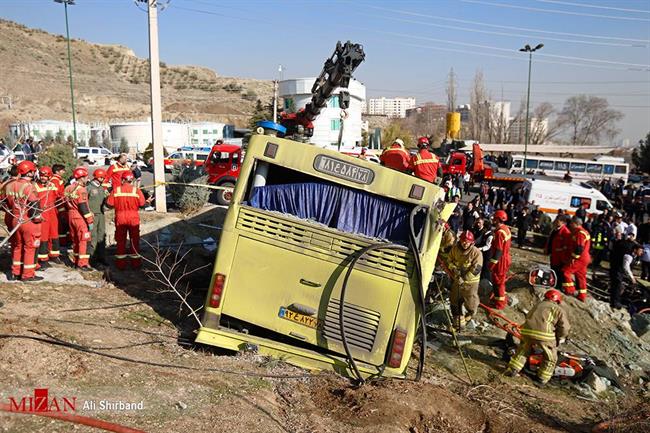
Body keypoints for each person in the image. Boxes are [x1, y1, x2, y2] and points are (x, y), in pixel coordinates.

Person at [505, 289, 570, 385]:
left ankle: (513, 369)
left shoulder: (538, 305)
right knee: (550, 357)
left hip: (527, 331)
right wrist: (561, 337)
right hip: (544, 336)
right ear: (557, 301)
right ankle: (541, 379)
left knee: (523, 350)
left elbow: (529, 317)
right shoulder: (558, 309)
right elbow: (564, 327)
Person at [1, 160, 43, 281]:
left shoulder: (9, 185)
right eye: (33, 171)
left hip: (15, 218)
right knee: (30, 247)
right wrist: (38, 218)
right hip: (27, 220)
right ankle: (28, 274)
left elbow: (3, 202)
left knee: (17, 246)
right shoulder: (29, 186)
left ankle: (15, 272)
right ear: (29, 172)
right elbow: (34, 202)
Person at [106, 171, 147, 270]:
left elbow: (109, 204)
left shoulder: (116, 190)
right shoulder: (136, 190)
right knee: (134, 240)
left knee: (120, 241)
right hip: (133, 217)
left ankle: (121, 264)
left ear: (123, 180)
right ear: (131, 180)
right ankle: (136, 264)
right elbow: (142, 204)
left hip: (120, 216)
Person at [446, 230, 482, 330]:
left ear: (472, 242)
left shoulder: (476, 253)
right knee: (454, 300)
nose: (465, 243)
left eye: (467, 241)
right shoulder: (455, 249)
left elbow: (476, 269)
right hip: (457, 280)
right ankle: (458, 324)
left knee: (470, 301)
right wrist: (453, 268)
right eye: (463, 241)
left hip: (470, 283)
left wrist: (464, 279)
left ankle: (470, 315)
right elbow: (449, 260)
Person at [64, 167, 94, 271]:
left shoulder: (68, 188)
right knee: (84, 240)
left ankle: (76, 261)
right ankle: (82, 264)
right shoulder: (81, 190)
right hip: (79, 217)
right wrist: (89, 220)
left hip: (71, 215)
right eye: (86, 177)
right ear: (81, 178)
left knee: (76, 240)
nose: (87, 179)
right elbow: (83, 207)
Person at [34, 166, 60, 268]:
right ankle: (43, 259)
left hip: (52, 211)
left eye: (45, 176)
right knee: (44, 236)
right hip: (43, 212)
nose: (43, 178)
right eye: (41, 176)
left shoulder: (52, 185)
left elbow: (57, 195)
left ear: (49, 176)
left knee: (54, 234)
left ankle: (54, 255)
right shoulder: (35, 186)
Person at [562, 217, 591, 302]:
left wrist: (574, 258)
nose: (570, 225)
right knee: (581, 276)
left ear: (576, 223)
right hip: (585, 258)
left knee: (566, 272)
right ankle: (582, 295)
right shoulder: (584, 232)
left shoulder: (580, 233)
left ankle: (570, 290)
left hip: (580, 258)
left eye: (571, 223)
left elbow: (579, 248)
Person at [489, 210, 512, 309]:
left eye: (494, 218)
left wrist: (492, 263)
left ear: (497, 219)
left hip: (500, 260)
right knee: (500, 280)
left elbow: (498, 250)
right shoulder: (505, 229)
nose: (493, 219)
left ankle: (499, 304)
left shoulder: (499, 233)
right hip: (505, 257)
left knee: (498, 282)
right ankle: (498, 299)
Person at [609, 237, 640, 309]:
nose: (641, 253)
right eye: (640, 251)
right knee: (617, 286)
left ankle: (614, 301)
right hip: (617, 270)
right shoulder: (629, 255)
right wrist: (631, 277)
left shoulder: (633, 255)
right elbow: (626, 267)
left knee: (616, 286)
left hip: (617, 269)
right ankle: (615, 303)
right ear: (635, 250)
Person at [86, 168, 109, 267]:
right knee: (93, 236)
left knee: (101, 235)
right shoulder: (88, 188)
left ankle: (101, 257)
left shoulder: (101, 188)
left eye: (103, 177)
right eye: (101, 177)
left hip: (101, 215)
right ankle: (92, 258)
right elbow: (84, 201)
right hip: (93, 215)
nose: (102, 179)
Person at [546, 214, 571, 289]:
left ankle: (559, 286)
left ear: (563, 222)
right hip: (554, 255)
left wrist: (560, 249)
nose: (556, 222)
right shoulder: (555, 230)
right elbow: (551, 240)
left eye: (558, 221)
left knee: (558, 272)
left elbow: (567, 245)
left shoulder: (565, 232)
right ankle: (553, 283)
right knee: (553, 270)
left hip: (560, 257)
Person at [50, 164, 68, 252]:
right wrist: (61, 209)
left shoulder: (58, 180)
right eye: (62, 170)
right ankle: (61, 245)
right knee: (60, 226)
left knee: (62, 226)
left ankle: (63, 243)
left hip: (60, 205)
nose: (64, 172)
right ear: (57, 171)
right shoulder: (55, 180)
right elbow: (57, 195)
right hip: (58, 206)